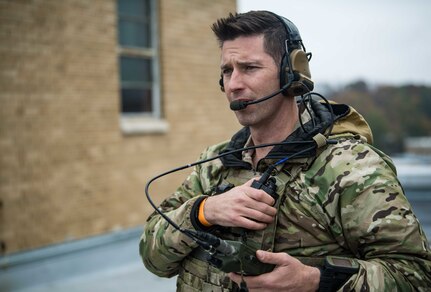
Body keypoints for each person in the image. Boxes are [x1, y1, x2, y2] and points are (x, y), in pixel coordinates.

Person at [140, 10, 431, 291]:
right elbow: (153, 259)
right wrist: (204, 211)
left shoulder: (351, 169)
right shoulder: (214, 165)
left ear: (291, 73)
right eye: (227, 71)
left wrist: (316, 280)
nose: (234, 84)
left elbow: (415, 275)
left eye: (249, 68)